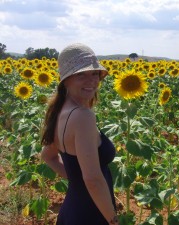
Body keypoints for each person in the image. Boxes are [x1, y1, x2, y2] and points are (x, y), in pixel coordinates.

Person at [40, 43, 119, 225]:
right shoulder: (83, 117)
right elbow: (93, 180)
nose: (91, 81)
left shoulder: (60, 110)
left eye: (94, 73)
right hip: (91, 213)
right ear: (66, 80)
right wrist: (113, 221)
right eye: (81, 75)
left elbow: (47, 156)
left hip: (73, 210)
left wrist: (76, 179)